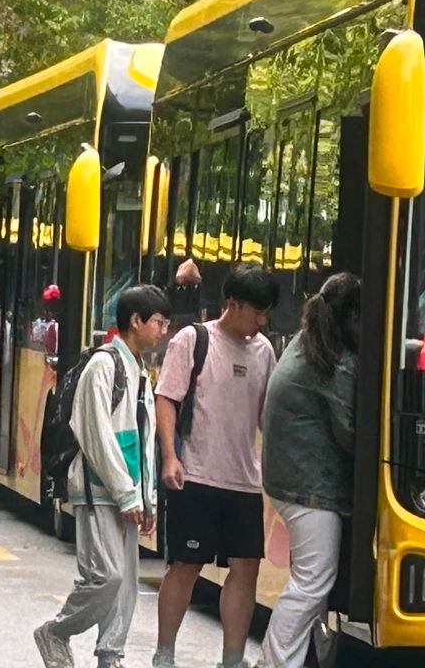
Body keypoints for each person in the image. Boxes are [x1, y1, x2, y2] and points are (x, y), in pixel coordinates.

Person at [153, 264, 280, 668]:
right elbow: (166, 397)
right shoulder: (194, 340)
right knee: (185, 566)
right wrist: (171, 457)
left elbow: (266, 417)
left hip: (245, 481)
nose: (261, 322)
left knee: (246, 570)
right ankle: (164, 654)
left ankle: (232, 660)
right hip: (196, 475)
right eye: (257, 312)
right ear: (233, 303)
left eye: (266, 314)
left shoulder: (264, 351)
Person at [33, 285, 163, 668]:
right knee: (106, 577)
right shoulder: (103, 365)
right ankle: (56, 632)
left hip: (127, 493)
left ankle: (110, 654)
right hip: (97, 489)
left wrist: (147, 497)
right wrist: (127, 493)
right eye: (159, 322)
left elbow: (146, 440)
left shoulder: (140, 371)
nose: (163, 331)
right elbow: (96, 435)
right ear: (135, 321)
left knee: (125, 584)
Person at [255, 272, 360, 668]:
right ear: (353, 317)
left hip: (292, 479)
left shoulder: (311, 342)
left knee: (310, 581)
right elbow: (351, 435)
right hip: (309, 486)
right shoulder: (334, 363)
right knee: (312, 583)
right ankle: (275, 662)